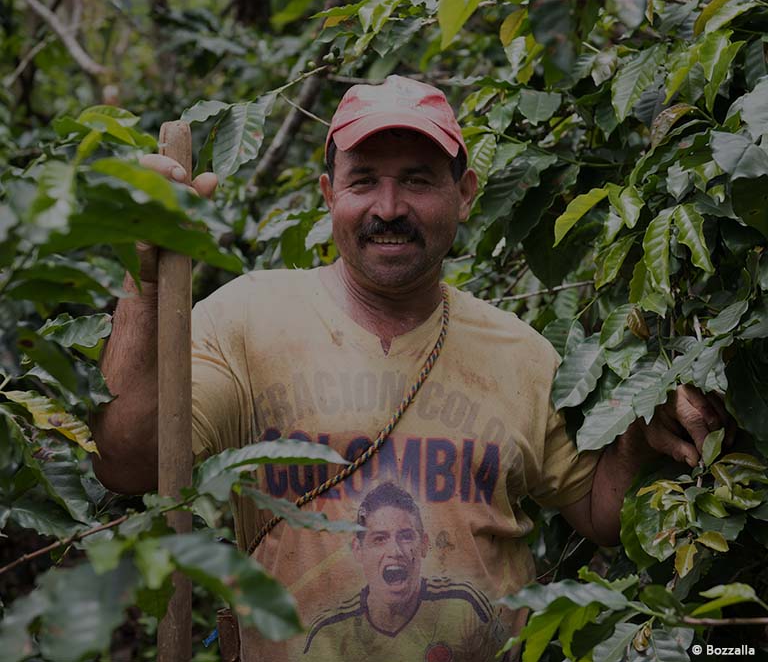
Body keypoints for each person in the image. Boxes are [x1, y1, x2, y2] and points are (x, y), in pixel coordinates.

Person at [92, 75, 733, 661]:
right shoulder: (244, 322)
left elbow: (597, 513)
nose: (390, 206)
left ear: (465, 194)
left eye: (419, 179)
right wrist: (142, 279)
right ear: (328, 195)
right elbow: (129, 462)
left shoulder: (524, 352)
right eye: (364, 179)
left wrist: (638, 432)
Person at [303, 482, 507, 661]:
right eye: (380, 539)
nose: (395, 551)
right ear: (359, 550)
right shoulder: (328, 632)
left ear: (424, 545)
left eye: (406, 536)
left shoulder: (465, 605)